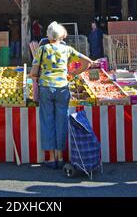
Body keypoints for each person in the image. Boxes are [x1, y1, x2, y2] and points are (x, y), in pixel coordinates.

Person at [30, 21, 94, 169]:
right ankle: (60, 155)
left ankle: (51, 158)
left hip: (46, 87)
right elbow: (88, 62)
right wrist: (72, 73)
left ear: (49, 35)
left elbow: (34, 72)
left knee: (47, 121)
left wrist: (35, 76)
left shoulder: (43, 49)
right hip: (63, 88)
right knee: (61, 120)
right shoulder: (67, 49)